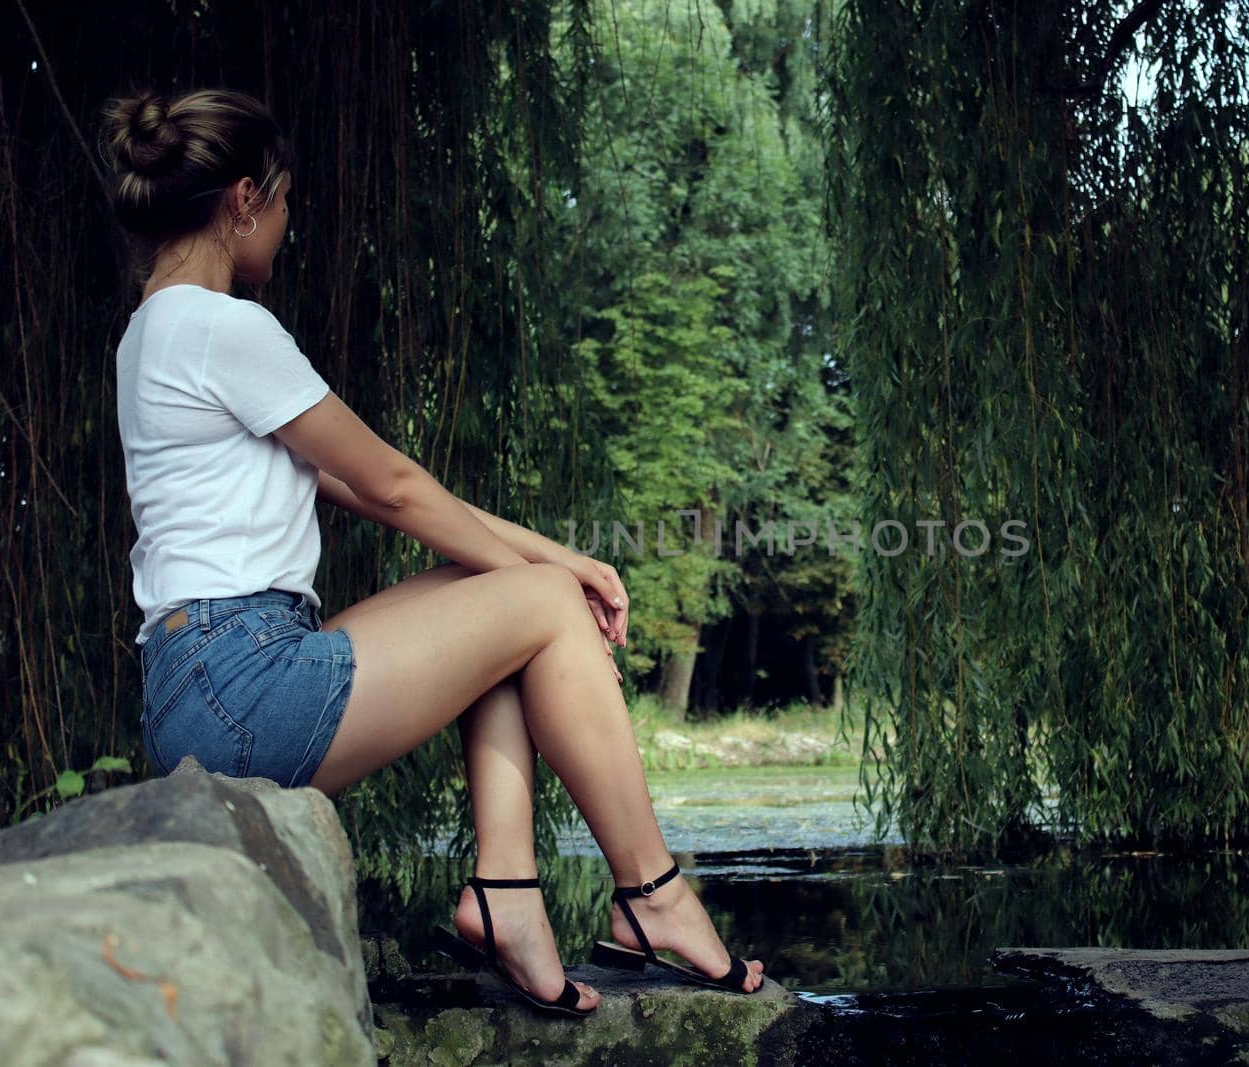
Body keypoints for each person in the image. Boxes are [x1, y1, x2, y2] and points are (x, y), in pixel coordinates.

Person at [102, 86, 765, 1017]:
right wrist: (553, 579)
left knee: (493, 594)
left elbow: (347, 482)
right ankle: (654, 897)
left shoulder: (150, 333)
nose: (289, 224)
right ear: (244, 199)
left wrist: (556, 558)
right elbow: (392, 486)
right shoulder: (223, 327)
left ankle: (507, 894)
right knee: (530, 604)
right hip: (241, 685)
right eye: (286, 200)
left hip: (201, 679)